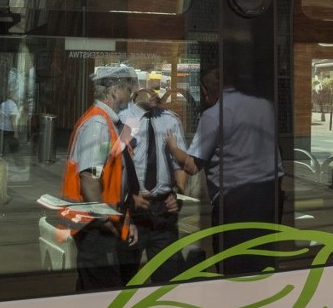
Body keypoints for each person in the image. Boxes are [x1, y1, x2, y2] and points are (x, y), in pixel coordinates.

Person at [184, 69, 284, 275]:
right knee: (264, 263)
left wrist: (172, 146)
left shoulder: (214, 115)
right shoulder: (265, 105)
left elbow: (192, 166)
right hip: (270, 196)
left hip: (235, 202)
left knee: (232, 266)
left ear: (205, 92)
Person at [61, 63, 139, 292]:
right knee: (102, 293)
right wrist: (109, 221)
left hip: (101, 224)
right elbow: (89, 179)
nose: (133, 93)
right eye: (128, 88)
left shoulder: (107, 122)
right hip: (94, 227)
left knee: (92, 291)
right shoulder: (97, 124)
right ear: (114, 90)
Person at [121, 89, 189, 283]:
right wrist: (128, 198)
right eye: (148, 90)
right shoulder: (124, 119)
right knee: (124, 277)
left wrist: (178, 195)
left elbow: (180, 163)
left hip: (162, 211)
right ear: (135, 94)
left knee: (168, 277)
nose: (154, 94)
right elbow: (114, 166)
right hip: (132, 210)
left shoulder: (170, 120)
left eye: (156, 90)